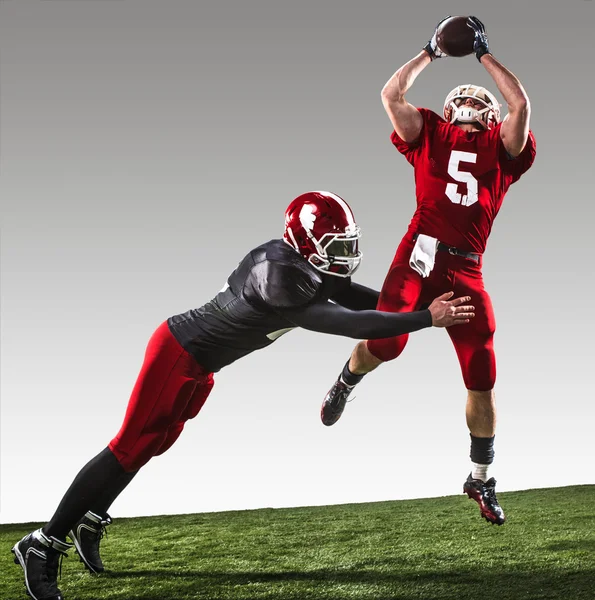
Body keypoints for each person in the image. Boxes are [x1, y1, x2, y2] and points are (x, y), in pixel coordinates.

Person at [11, 190, 474, 600]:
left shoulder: (305, 262)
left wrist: (417, 305)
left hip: (201, 365)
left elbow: (351, 294)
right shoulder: (280, 276)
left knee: (150, 446)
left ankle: (91, 518)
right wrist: (424, 319)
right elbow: (348, 324)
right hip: (178, 353)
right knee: (128, 446)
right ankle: (43, 543)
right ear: (308, 244)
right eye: (337, 246)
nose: (347, 254)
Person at [320, 17, 536, 526]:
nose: (470, 105)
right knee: (388, 341)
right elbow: (390, 95)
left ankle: (480, 477)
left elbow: (521, 105)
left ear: (489, 116)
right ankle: (348, 379)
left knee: (482, 372)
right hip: (418, 255)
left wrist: (482, 53)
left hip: (467, 269)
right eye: (463, 99)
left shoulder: (503, 153)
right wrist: (430, 52)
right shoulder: (428, 134)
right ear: (447, 110)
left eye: (480, 102)